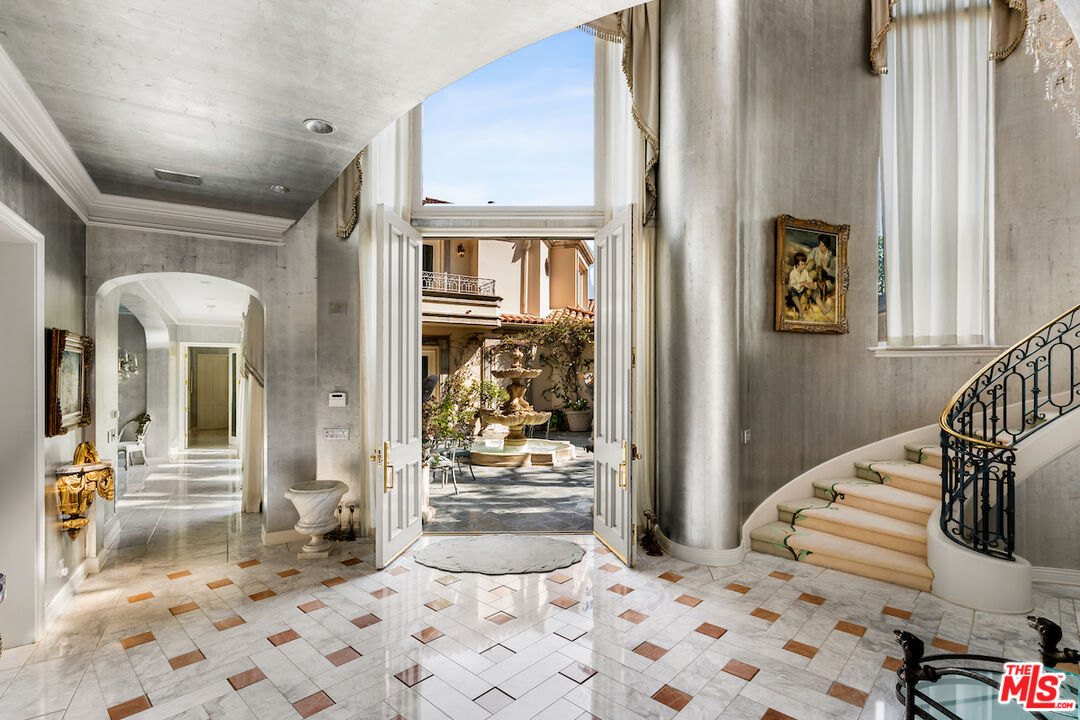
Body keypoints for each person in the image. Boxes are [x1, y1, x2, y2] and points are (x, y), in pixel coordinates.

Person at [805, 234, 836, 311]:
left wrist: (826, 268)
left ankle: (821, 301)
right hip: (815, 272)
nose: (821, 247)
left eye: (823, 246)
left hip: (825, 276)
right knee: (810, 274)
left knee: (825, 286)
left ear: (827, 246)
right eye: (820, 244)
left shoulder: (830, 254)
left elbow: (834, 272)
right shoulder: (815, 250)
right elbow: (807, 264)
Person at [787, 252, 813, 317]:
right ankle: (800, 310)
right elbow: (793, 285)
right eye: (802, 264)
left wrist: (809, 283)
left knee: (812, 290)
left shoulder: (805, 271)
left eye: (805, 264)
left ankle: (822, 307)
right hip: (794, 295)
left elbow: (808, 279)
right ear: (797, 265)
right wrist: (801, 284)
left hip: (801, 292)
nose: (804, 266)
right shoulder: (792, 273)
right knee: (792, 290)